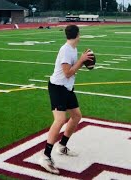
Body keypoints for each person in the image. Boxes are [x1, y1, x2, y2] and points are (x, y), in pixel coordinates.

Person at [38, 25, 94, 174]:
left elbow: (70, 71)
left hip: (67, 88)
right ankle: (45, 157)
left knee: (76, 116)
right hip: (58, 88)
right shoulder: (66, 50)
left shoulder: (73, 49)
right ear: (78, 35)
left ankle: (62, 146)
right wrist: (81, 60)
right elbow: (67, 72)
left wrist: (83, 61)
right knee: (60, 120)